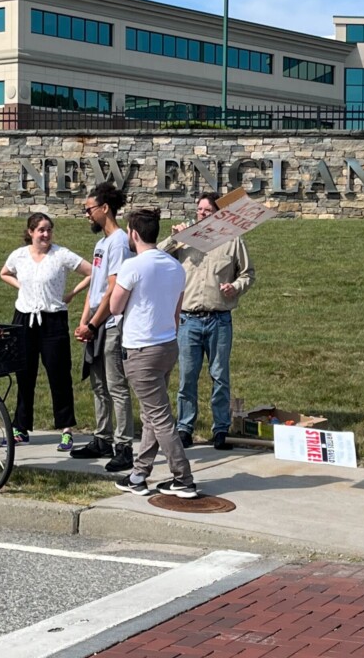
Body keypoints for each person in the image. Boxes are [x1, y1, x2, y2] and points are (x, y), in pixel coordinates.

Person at [110, 208, 196, 499]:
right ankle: (138, 474)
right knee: (151, 414)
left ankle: (183, 478)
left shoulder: (133, 266)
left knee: (159, 417)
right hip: (168, 345)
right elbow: (176, 311)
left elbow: (114, 307)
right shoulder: (174, 266)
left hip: (141, 349)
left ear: (133, 234)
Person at [164, 192, 255, 450]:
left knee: (220, 376)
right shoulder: (184, 239)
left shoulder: (233, 240)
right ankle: (185, 428)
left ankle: (221, 429)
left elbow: (248, 274)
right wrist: (175, 237)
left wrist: (235, 287)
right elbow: (155, 255)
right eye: (200, 210)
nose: (202, 214)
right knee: (187, 378)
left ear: (219, 214)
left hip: (219, 320)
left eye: (207, 211)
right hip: (188, 320)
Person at [0, 212, 92, 448]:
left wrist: (72, 294)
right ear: (30, 232)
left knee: (59, 374)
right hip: (24, 319)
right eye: (41, 229)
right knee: (24, 374)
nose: (46, 234)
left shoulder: (61, 254)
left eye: (49, 229)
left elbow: (92, 271)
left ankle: (66, 428)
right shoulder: (19, 255)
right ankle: (21, 427)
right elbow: (4, 273)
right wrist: (21, 286)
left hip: (53, 320)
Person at [71, 182, 135, 471]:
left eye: (89, 209)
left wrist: (95, 324)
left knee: (116, 385)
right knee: (98, 384)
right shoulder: (101, 244)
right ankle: (102, 437)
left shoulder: (120, 241)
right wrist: (85, 321)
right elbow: (94, 289)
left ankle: (123, 446)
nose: (86, 215)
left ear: (104, 208)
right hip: (96, 321)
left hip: (111, 322)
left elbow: (114, 289)